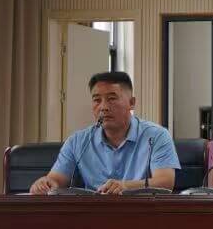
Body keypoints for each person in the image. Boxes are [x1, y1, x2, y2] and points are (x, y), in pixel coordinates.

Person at [29, 71, 179, 194]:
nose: (103, 107)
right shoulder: (78, 141)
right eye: (97, 100)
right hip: (93, 214)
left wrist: (125, 186)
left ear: (132, 103)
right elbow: (56, 179)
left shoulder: (156, 136)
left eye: (111, 99)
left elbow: (165, 182)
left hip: (141, 212)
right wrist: (45, 183)